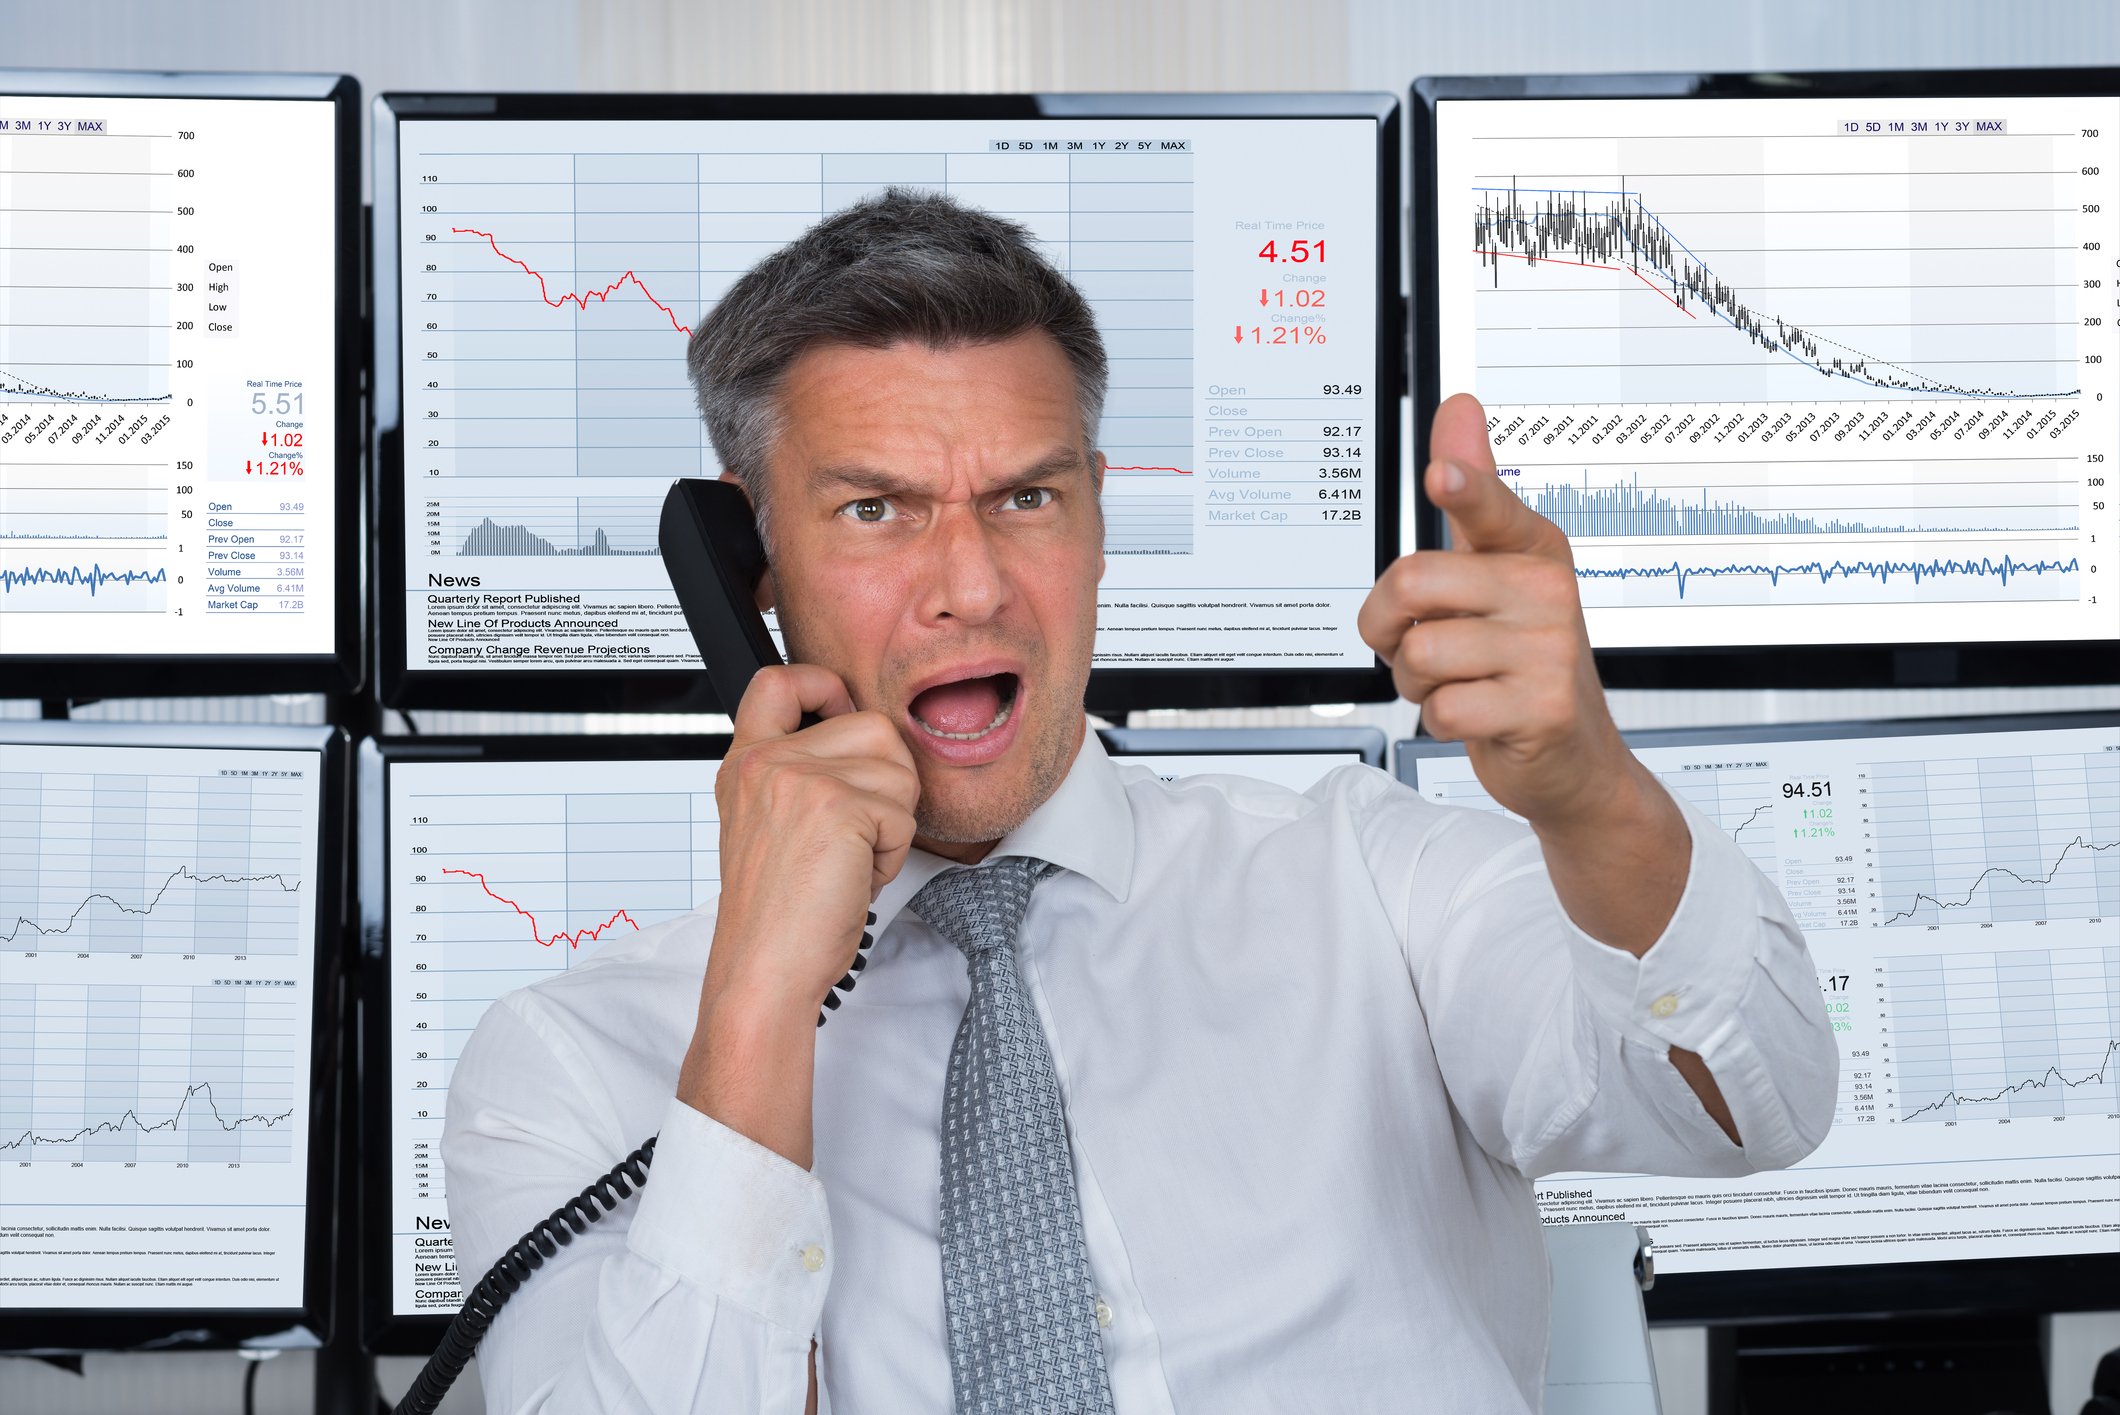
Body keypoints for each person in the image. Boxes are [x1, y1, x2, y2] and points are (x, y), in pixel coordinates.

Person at [443, 190, 1838, 1414]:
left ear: (1099, 515)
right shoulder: (564, 1068)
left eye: (1026, 500)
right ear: (749, 566)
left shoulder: (1364, 883)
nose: (971, 585)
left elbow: (1750, 1105)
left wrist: (1594, 796)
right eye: (876, 511)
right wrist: (757, 999)